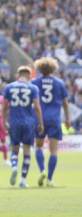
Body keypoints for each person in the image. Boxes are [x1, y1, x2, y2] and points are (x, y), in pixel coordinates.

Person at [30, 57, 71, 186]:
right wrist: (68, 119)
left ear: (39, 68)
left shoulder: (34, 82)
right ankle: (49, 179)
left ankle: (42, 170)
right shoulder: (59, 83)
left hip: (39, 119)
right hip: (54, 119)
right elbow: (65, 104)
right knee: (53, 151)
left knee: (39, 146)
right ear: (54, 68)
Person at [3, 66, 44, 188]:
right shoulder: (33, 88)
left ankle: (14, 166)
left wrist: (3, 122)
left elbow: (5, 107)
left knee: (14, 149)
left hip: (14, 122)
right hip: (28, 123)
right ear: (29, 75)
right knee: (27, 151)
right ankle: (22, 180)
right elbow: (37, 107)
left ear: (18, 74)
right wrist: (41, 123)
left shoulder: (9, 87)